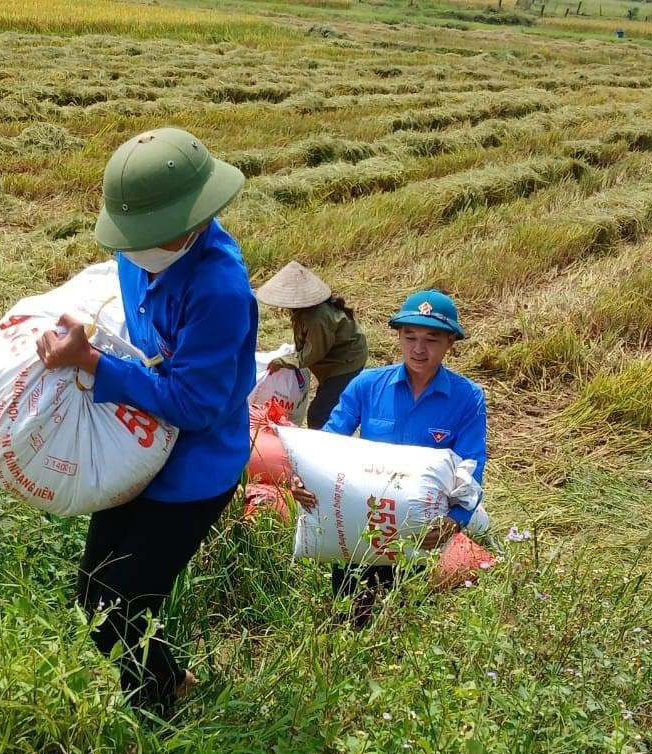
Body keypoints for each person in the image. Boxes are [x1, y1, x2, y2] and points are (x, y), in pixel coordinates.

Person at [36, 128, 257, 712]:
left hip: (191, 474)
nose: (134, 252)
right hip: (133, 448)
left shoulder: (219, 288)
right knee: (94, 593)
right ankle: (165, 683)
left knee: (125, 603)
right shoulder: (138, 248)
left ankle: (164, 701)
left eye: (149, 239)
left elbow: (194, 403)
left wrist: (91, 362)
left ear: (193, 220)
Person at [291, 288, 486, 626]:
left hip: (421, 529)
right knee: (351, 616)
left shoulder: (467, 398)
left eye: (432, 339)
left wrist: (454, 519)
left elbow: (472, 465)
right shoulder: (367, 385)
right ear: (399, 336)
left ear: (450, 342)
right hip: (360, 521)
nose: (419, 348)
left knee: (407, 623)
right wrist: (303, 478)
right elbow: (327, 443)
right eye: (409, 336)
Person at [254, 262, 368, 429]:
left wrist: (283, 361)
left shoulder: (317, 318)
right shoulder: (302, 312)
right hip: (331, 361)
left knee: (319, 415)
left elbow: (313, 354)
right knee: (328, 403)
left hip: (346, 363)